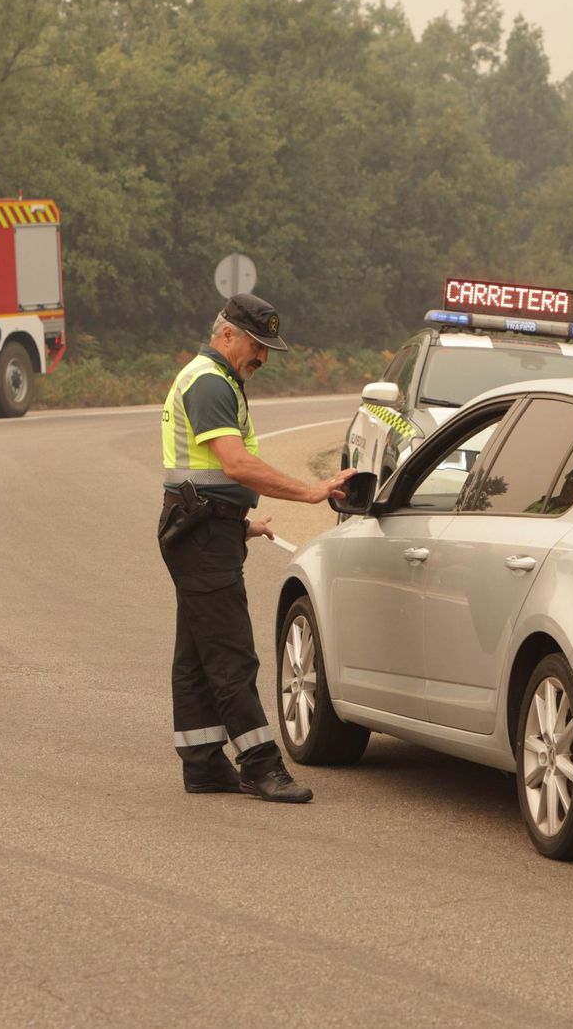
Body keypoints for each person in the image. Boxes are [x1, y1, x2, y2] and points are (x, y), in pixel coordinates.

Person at [158, 293, 355, 803]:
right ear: (227, 335)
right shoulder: (209, 382)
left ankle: (203, 763)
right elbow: (236, 465)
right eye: (257, 344)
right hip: (201, 533)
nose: (262, 357)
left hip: (203, 528)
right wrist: (311, 490)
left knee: (199, 654)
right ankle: (261, 765)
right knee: (231, 655)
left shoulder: (214, 379)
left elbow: (199, 475)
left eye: (268, 348)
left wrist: (236, 523)